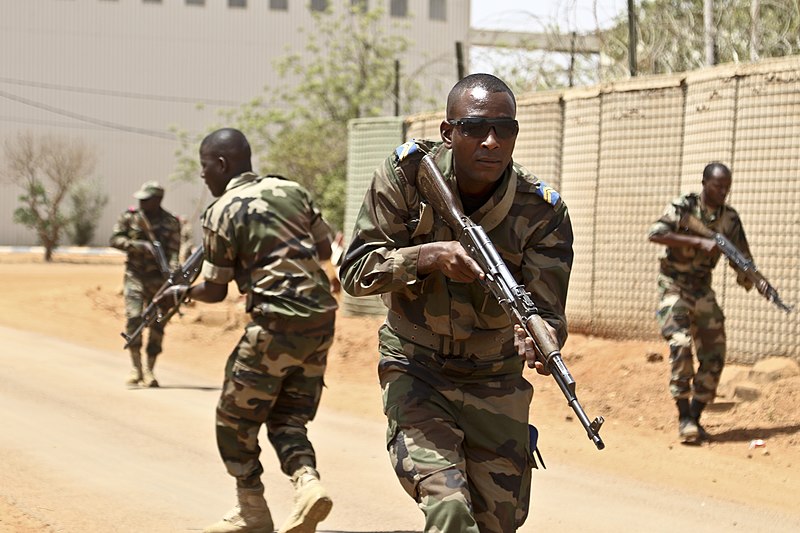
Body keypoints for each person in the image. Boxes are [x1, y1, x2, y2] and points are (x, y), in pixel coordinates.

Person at [339, 73, 574, 533]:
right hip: (416, 369)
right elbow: (354, 271)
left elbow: (548, 312)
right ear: (448, 133)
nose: (491, 142)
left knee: (498, 523)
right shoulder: (406, 177)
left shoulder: (541, 210)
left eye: (504, 130)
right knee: (448, 508)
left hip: (495, 379)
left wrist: (540, 340)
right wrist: (426, 257)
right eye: (474, 129)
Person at [158, 128, 338, 533]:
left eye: (205, 167)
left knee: (233, 419)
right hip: (321, 320)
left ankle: (252, 509)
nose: (203, 176)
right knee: (289, 417)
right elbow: (325, 251)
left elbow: (215, 289)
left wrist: (180, 292)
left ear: (221, 164)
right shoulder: (293, 191)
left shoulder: (221, 210)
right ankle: (307, 485)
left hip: (275, 322)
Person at [648, 162, 768, 444]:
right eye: (717, 186)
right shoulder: (684, 206)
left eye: (727, 187)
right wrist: (697, 242)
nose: (723, 192)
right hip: (674, 285)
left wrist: (754, 280)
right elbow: (655, 233)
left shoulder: (730, 219)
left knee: (715, 352)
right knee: (680, 342)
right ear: (704, 183)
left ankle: (695, 415)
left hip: (702, 288)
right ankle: (683, 417)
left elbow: (742, 259)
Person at [110, 180, 180, 388]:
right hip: (135, 275)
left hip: (159, 280)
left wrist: (174, 269)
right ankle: (136, 367)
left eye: (147, 200)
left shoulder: (171, 222)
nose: (142, 203)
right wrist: (138, 245)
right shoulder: (130, 217)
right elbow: (114, 239)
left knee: (158, 324)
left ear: (158, 200)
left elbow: (175, 250)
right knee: (134, 318)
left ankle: (150, 369)